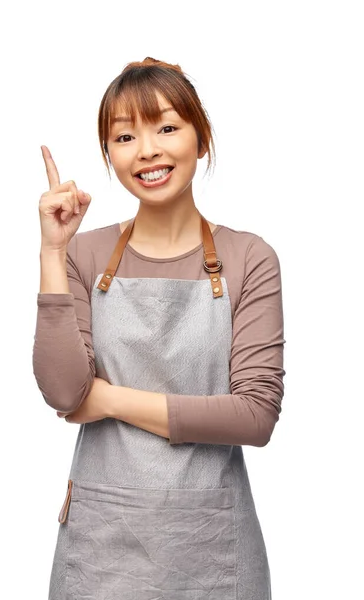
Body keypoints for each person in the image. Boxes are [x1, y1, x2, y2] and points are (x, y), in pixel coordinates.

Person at [33, 57, 286, 600]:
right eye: (125, 136)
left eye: (167, 127)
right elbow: (62, 391)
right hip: (103, 547)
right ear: (110, 155)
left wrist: (109, 400)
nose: (147, 150)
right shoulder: (84, 253)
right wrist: (52, 252)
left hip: (212, 550)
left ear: (201, 139)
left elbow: (255, 416)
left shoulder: (250, 258)